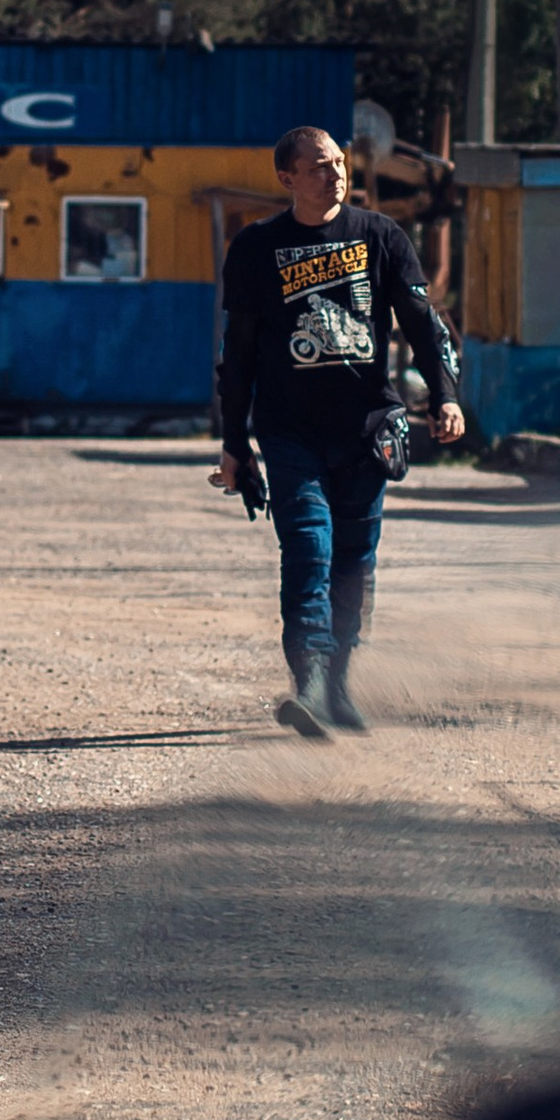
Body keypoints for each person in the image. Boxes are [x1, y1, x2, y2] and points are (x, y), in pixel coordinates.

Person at [214, 123, 464, 739]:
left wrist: (446, 396)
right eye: (319, 165)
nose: (335, 174)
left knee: (354, 561)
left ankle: (341, 681)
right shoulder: (256, 248)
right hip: (290, 429)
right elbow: (239, 352)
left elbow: (422, 323)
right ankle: (312, 682)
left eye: (338, 163)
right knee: (309, 549)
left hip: (366, 428)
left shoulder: (380, 236)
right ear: (287, 177)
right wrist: (234, 444)